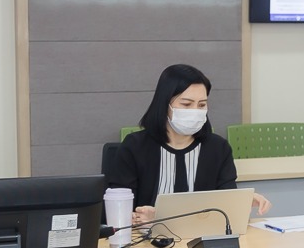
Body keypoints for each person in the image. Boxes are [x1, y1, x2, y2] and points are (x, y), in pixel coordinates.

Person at [105, 64, 269, 225]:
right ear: (165, 104)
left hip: (203, 236)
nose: (195, 111)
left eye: (202, 105)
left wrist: (241, 202)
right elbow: (118, 211)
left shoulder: (218, 148)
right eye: (186, 104)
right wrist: (139, 218)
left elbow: (225, 208)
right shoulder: (135, 147)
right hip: (145, 238)